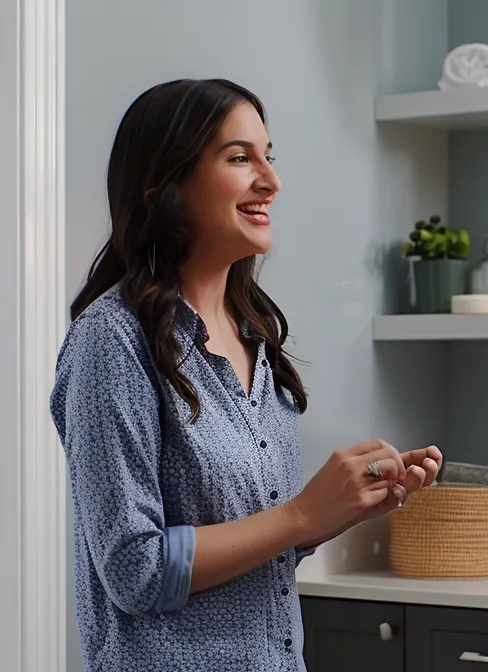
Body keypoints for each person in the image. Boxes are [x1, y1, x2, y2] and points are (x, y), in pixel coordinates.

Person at [51, 78, 444, 671]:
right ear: (164, 184)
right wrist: (301, 515)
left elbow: (258, 541)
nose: (271, 180)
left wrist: (341, 507)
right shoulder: (112, 342)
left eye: (269, 156)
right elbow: (135, 570)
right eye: (240, 158)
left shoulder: (254, 335)